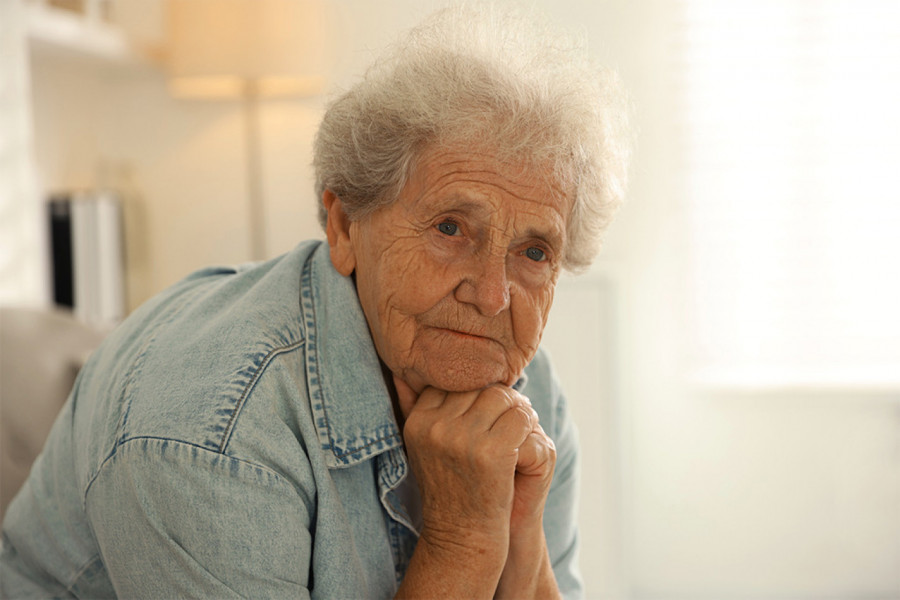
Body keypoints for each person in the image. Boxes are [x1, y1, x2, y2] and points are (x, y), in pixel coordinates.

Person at [1, 4, 630, 598]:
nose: (493, 296)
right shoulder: (207, 432)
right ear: (344, 226)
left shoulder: (528, 389)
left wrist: (517, 530)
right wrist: (463, 541)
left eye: (534, 252)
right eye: (449, 229)